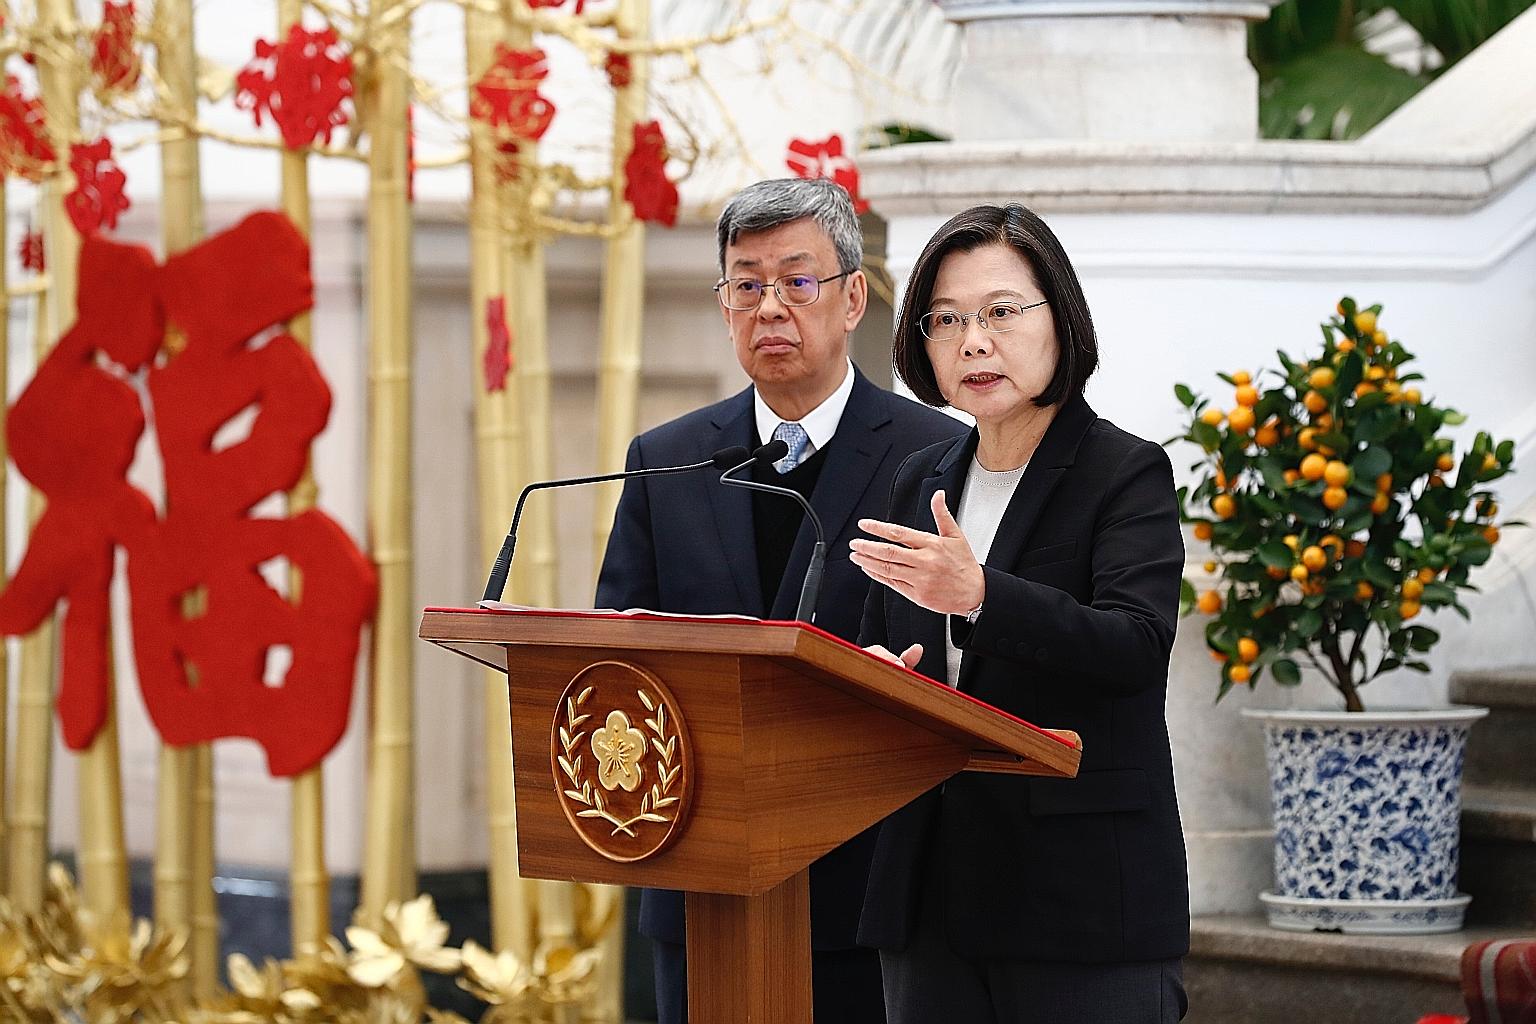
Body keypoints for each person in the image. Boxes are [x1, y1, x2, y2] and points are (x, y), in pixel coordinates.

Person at [595, 176, 966, 1024]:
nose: (771, 308)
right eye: (747, 284)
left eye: (797, 283)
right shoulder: (668, 459)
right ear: (724, 305)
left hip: (876, 885)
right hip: (703, 878)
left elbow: (965, 654)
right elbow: (620, 652)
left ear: (851, 300)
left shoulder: (938, 453)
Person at [848, 203, 1190, 1023]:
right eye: (948, 319)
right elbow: (877, 645)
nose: (974, 341)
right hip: (929, 895)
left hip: (1077, 899)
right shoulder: (918, 478)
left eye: (1001, 312)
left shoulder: (1125, 472)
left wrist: (983, 597)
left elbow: (1136, 647)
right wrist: (880, 680)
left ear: (1060, 320)